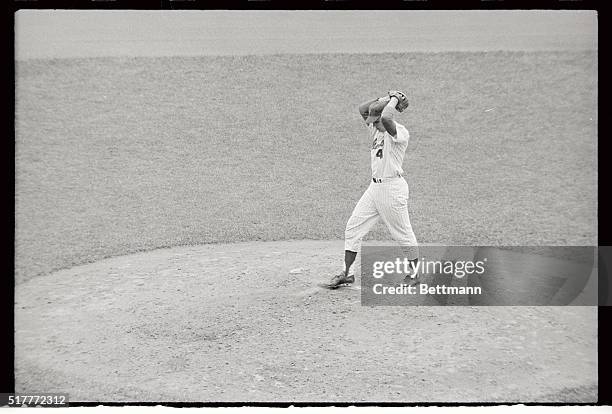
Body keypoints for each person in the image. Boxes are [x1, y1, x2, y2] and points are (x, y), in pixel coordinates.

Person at [328, 91, 420, 288]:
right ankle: (347, 273)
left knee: (403, 234)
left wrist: (394, 101)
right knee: (353, 228)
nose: (372, 124)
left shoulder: (399, 133)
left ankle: (414, 276)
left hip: (392, 189)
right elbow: (363, 109)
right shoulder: (377, 130)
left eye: (375, 120)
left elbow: (387, 118)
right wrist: (385, 98)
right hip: (374, 189)